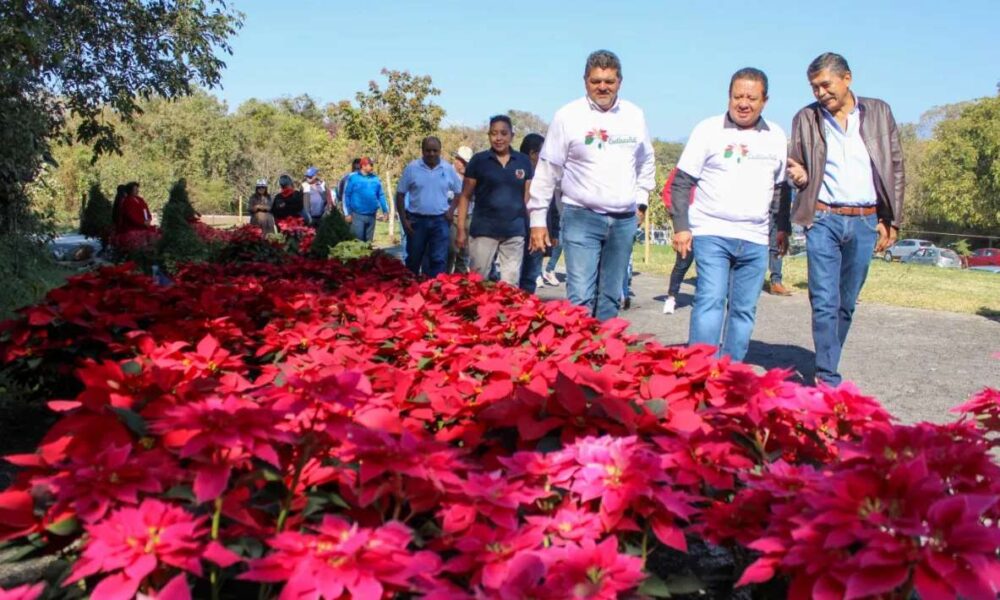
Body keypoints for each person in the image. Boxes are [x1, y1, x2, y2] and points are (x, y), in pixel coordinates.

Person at [786, 52, 905, 386]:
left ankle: (827, 359)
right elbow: (796, 165)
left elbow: (894, 167)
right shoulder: (805, 118)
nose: (820, 93)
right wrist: (797, 173)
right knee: (823, 300)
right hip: (823, 217)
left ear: (847, 78)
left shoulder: (879, 112)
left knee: (846, 303)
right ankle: (827, 376)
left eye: (825, 84)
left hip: (867, 220)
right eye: (814, 87)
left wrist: (891, 219)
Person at [670, 67, 790, 361]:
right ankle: (699, 370)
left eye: (751, 97)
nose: (744, 103)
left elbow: (780, 189)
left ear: (765, 100)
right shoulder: (707, 130)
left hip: (755, 238)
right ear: (728, 97)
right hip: (712, 232)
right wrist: (681, 227)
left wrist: (783, 227)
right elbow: (682, 182)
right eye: (737, 96)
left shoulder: (776, 136)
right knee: (710, 300)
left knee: (744, 310)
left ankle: (729, 372)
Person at [527, 49, 656, 321]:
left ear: (619, 81)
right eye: (596, 81)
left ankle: (605, 357)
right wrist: (537, 218)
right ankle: (579, 357)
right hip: (581, 217)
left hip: (623, 220)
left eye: (609, 81)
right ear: (585, 80)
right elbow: (548, 169)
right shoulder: (568, 116)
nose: (603, 87)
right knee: (581, 296)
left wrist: (641, 201)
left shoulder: (634, 115)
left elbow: (646, 161)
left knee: (610, 296)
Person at [455, 115, 533, 286]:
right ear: (489, 135)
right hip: (483, 231)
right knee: (477, 282)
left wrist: (532, 227)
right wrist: (461, 229)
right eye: (494, 133)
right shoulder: (478, 161)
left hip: (514, 232)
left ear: (512, 135)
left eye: (503, 133)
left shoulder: (523, 161)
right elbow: (465, 196)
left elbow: (528, 197)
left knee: (510, 285)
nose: (498, 138)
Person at [396, 136, 462, 277]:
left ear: (440, 151)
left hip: (440, 221)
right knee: (413, 259)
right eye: (428, 150)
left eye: (435, 150)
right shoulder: (412, 168)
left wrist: (451, 211)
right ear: (422, 151)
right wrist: (403, 220)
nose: (431, 153)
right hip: (416, 221)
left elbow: (459, 192)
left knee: (438, 260)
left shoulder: (447, 169)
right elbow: (400, 194)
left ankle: (434, 292)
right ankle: (410, 292)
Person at [517, 133, 558, 293]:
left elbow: (552, 205)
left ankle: (526, 309)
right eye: (543, 152)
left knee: (531, 277)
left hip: (539, 233)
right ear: (533, 154)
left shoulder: (545, 177)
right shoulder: (517, 173)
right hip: (518, 232)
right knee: (514, 276)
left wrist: (554, 231)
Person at [661, 168, 695, 315]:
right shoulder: (683, 169)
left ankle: (706, 299)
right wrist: (677, 215)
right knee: (682, 263)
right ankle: (671, 297)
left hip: (709, 224)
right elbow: (668, 192)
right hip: (686, 223)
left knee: (708, 265)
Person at [343, 157, 389, 242]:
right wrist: (347, 214)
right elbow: (346, 195)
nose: (372, 167)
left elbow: (381, 195)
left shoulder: (375, 179)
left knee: (368, 244)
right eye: (370, 165)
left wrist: (385, 211)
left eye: (372, 164)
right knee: (357, 243)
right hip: (357, 216)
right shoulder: (353, 178)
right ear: (363, 166)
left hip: (371, 216)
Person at [446, 146, 474, 274]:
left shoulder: (471, 176)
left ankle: (460, 281)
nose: (465, 165)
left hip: (468, 215)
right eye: (463, 162)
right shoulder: (447, 174)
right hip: (451, 217)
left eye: (467, 163)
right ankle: (444, 278)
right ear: (456, 160)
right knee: (451, 251)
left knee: (464, 252)